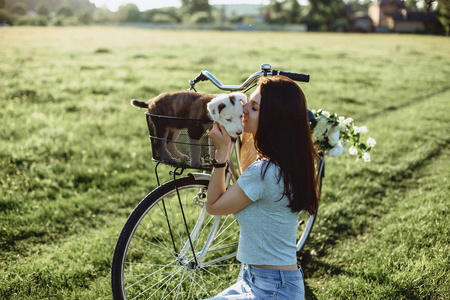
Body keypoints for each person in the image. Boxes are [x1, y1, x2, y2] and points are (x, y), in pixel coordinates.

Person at [205, 75, 320, 300]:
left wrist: (221, 155)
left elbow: (213, 205)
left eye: (254, 107)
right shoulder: (291, 162)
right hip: (263, 280)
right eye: (248, 101)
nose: (243, 107)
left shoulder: (263, 173)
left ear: (272, 120)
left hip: (271, 289)